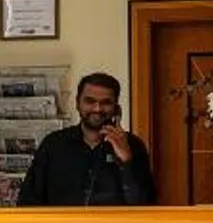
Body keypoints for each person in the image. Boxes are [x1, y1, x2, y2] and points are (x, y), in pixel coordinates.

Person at [16, 71, 156, 206]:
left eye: (106, 102)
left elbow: (145, 205)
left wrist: (126, 161)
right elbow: (27, 201)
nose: (97, 108)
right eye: (90, 101)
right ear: (78, 104)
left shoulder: (133, 145)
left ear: (116, 108)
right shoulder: (53, 144)